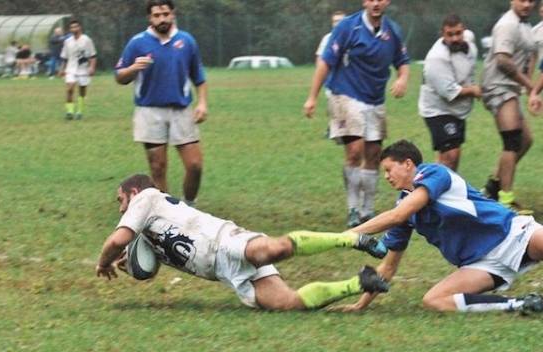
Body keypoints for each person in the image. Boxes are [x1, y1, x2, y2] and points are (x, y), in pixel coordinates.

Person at [95, 174, 390, 310]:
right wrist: (134, 263)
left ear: (133, 192)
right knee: (288, 303)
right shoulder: (149, 226)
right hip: (224, 272)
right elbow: (150, 263)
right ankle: (360, 283)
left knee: (276, 248)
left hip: (224, 242)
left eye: (120, 200)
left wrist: (104, 261)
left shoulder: (145, 198)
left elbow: (118, 238)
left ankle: (352, 239)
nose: (120, 208)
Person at [341, 140, 543, 314]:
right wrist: (361, 304)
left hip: (511, 234)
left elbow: (397, 216)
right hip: (481, 264)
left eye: (389, 169)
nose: (386, 176)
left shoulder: (435, 173)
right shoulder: (404, 205)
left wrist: (348, 234)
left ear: (408, 164)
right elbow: (388, 267)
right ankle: (520, 304)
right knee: (434, 300)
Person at [303, 0, 410, 228]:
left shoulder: (393, 31)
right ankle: (353, 208)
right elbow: (325, 62)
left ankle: (367, 210)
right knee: (355, 151)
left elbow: (402, 62)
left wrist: (402, 78)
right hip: (345, 94)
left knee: (374, 154)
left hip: (375, 100)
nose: (376, 3)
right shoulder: (347, 27)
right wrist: (312, 96)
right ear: (365, 2)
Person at [115, 0, 208, 207]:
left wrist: (202, 103)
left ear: (173, 14)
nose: (162, 19)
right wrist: (133, 68)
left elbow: (199, 76)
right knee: (158, 167)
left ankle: (189, 205)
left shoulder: (186, 41)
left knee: (195, 165)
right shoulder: (137, 42)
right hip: (150, 112)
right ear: (150, 17)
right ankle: (166, 212)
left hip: (181, 111)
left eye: (165, 14)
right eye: (157, 15)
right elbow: (119, 77)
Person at [480, 0, 537, 213]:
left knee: (525, 140)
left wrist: (527, 88)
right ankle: (505, 200)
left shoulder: (524, 25)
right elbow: (503, 61)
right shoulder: (507, 24)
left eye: (531, 1)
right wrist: (529, 86)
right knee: (512, 140)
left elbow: (530, 54)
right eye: (522, 0)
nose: (527, 4)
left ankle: (493, 186)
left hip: (510, 88)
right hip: (497, 87)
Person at [418, 14, 481, 171]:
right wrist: (474, 90)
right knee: (451, 155)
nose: (454, 38)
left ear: (464, 31)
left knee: (447, 158)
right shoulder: (436, 57)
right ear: (442, 34)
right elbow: (449, 92)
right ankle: (427, 190)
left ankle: (436, 190)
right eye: (449, 34)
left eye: (458, 33)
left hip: (458, 110)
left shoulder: (470, 44)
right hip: (438, 110)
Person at [315, 11, 346, 139]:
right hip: (331, 79)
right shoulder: (327, 39)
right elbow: (320, 58)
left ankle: (339, 131)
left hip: (348, 79)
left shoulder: (352, 36)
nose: (338, 23)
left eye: (341, 20)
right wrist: (320, 74)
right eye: (335, 21)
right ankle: (334, 129)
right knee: (333, 105)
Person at [59, 19, 97, 120]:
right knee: (69, 89)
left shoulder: (87, 40)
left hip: (83, 69)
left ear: (80, 27)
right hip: (70, 69)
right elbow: (64, 57)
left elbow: (93, 55)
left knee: (82, 90)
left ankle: (80, 111)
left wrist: (92, 67)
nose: (74, 29)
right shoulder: (67, 41)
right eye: (72, 27)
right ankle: (69, 112)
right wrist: (62, 69)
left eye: (76, 26)